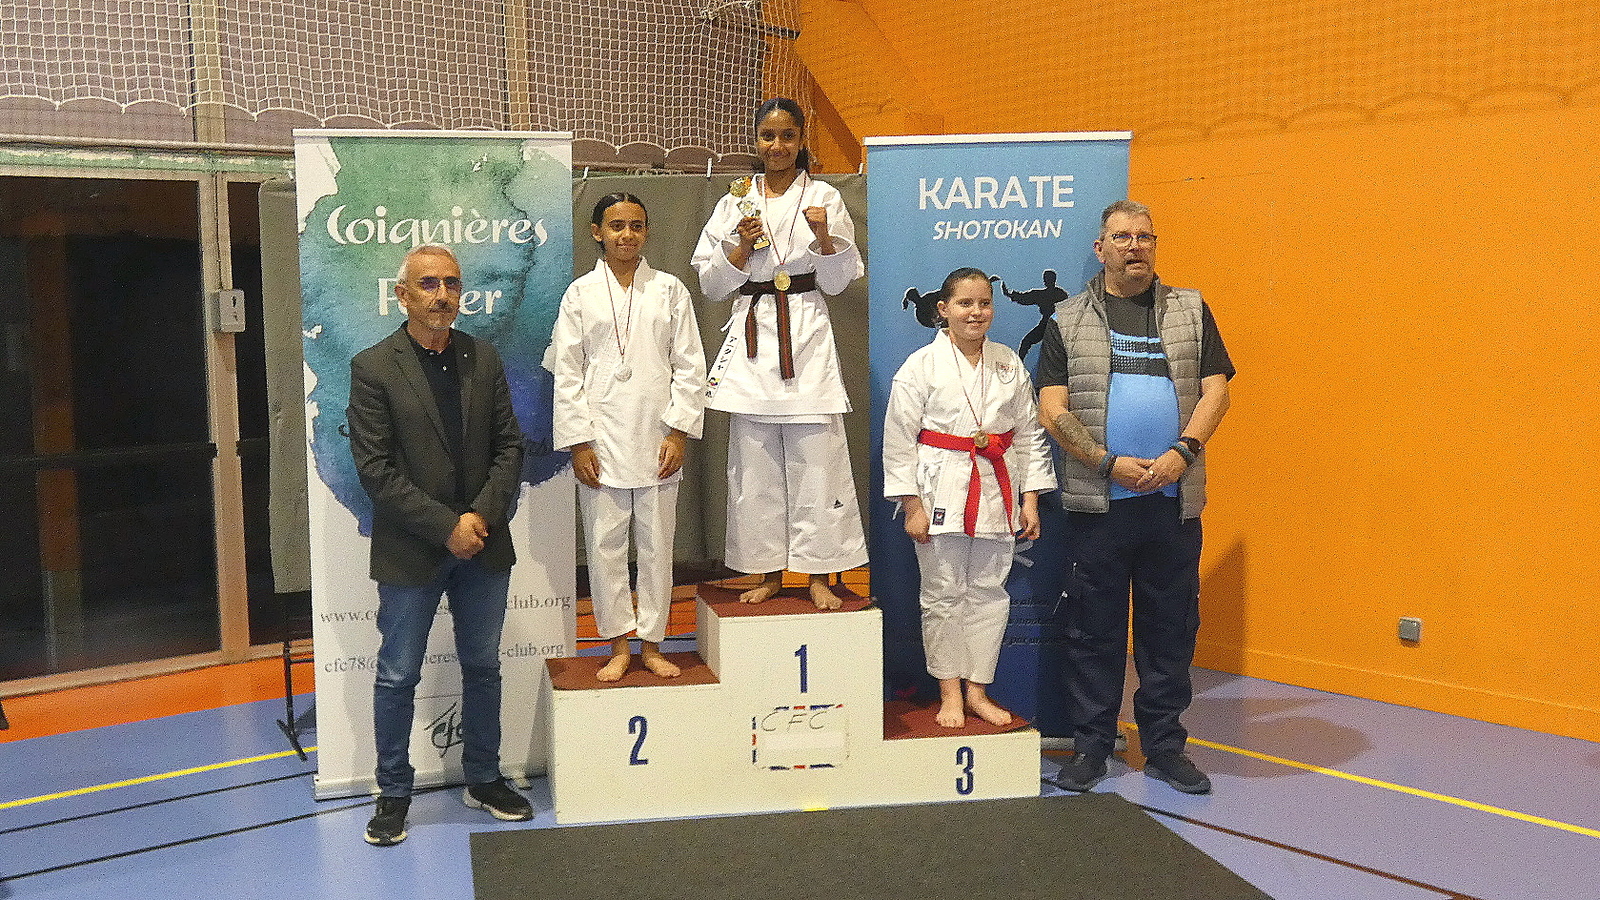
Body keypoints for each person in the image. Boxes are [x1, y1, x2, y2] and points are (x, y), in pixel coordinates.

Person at [1037, 200, 1235, 795]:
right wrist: (1107, 463)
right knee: (1093, 631)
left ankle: (1166, 747)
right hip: (1099, 506)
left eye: (1145, 237)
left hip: (1172, 505)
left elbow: (1217, 392)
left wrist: (1182, 454)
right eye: (1122, 237)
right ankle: (1092, 748)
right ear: (1100, 249)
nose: (1135, 247)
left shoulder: (1191, 310)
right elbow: (1052, 408)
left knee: (1169, 630)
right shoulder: (1067, 320)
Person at [347, 244, 531, 846]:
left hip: (484, 544)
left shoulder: (483, 357)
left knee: (482, 666)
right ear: (402, 295)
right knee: (397, 674)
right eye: (428, 284)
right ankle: (393, 793)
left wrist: (478, 517)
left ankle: (483, 777)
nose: (442, 295)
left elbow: (509, 446)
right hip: (413, 551)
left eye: (451, 283)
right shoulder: (374, 367)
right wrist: (446, 526)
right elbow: (376, 471)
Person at [692, 97, 866, 610]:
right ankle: (766, 571)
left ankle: (818, 573)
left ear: (800, 138)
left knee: (819, 464)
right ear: (756, 139)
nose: (777, 146)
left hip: (806, 331)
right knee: (754, 467)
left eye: (787, 135)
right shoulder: (735, 202)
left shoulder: (825, 196)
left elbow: (838, 282)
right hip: (754, 336)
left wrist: (824, 236)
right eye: (768, 136)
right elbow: (711, 284)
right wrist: (741, 248)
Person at [883, 268, 1055, 728]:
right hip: (940, 487)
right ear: (943, 310)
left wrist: (1030, 499)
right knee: (942, 594)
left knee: (989, 593)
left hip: (998, 487)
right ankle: (949, 693)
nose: (976, 312)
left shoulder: (1007, 362)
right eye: (965, 303)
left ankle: (977, 690)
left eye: (984, 303)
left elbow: (1029, 434)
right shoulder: (920, 366)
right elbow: (898, 440)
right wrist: (912, 506)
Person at [546, 193, 706, 682]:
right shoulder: (580, 294)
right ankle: (617, 644)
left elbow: (690, 365)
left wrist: (679, 431)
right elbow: (567, 372)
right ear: (597, 232)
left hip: (658, 437)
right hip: (601, 438)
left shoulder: (670, 289)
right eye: (617, 225)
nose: (627, 234)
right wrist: (578, 442)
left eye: (636, 225)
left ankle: (653, 644)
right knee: (604, 547)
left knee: (658, 547)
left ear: (647, 231)